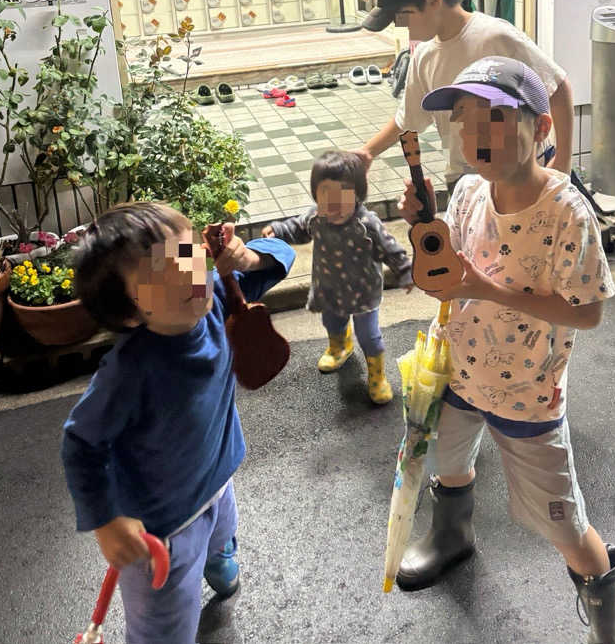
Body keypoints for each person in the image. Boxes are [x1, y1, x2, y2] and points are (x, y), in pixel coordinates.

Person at [396, 57, 615, 644]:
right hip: (457, 371)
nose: (477, 134)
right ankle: (451, 536)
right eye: (465, 119)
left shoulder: (568, 214)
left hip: (529, 394)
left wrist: (483, 287)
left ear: (542, 128)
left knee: (565, 525)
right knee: (447, 467)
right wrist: (423, 235)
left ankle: (608, 624)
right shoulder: (470, 190)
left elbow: (590, 311)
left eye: (497, 118)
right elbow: (447, 269)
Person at [61, 202, 294, 644]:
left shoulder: (217, 295)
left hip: (219, 475)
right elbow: (80, 442)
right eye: (162, 274)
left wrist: (245, 258)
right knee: (162, 629)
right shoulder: (129, 372)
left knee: (224, 524)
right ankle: (209, 557)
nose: (187, 274)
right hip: (162, 528)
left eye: (188, 252)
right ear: (129, 313)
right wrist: (107, 522)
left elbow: (283, 258)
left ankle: (219, 552)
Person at [356, 0, 574, 187]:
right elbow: (407, 119)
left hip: (521, 179)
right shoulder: (424, 56)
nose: (401, 25)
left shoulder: (494, 36)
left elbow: (558, 86)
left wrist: (563, 162)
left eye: (403, 15)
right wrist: (367, 153)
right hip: (466, 183)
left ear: (433, 0)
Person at [264, 149, 412, 404]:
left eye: (342, 193)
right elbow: (297, 227)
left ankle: (376, 376)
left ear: (357, 193)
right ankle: (340, 346)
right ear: (315, 195)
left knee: (369, 335)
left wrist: (406, 271)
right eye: (325, 194)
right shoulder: (315, 217)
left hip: (364, 291)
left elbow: (391, 248)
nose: (333, 203)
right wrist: (277, 231)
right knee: (332, 322)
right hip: (330, 287)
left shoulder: (367, 222)